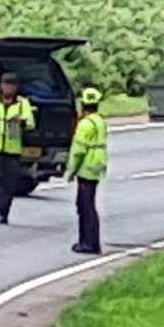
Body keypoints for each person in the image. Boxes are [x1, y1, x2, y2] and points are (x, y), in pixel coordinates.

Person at [0, 72, 36, 225]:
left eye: (12, 85)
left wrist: (20, 121)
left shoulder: (22, 104)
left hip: (12, 150)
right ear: (1, 86)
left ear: (16, 88)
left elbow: (31, 123)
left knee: (9, 183)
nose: (8, 88)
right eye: (6, 85)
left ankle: (4, 212)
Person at [65, 87, 108, 254]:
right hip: (97, 166)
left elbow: (78, 151)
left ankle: (88, 243)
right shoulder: (100, 122)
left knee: (85, 207)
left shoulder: (84, 125)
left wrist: (71, 171)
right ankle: (91, 241)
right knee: (88, 204)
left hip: (86, 167)